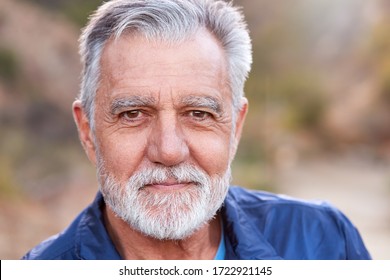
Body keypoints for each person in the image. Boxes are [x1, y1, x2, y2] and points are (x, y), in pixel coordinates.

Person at [22, 0, 371, 260]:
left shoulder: (323, 242)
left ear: (235, 127)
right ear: (88, 131)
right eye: (132, 114)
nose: (169, 151)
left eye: (199, 113)